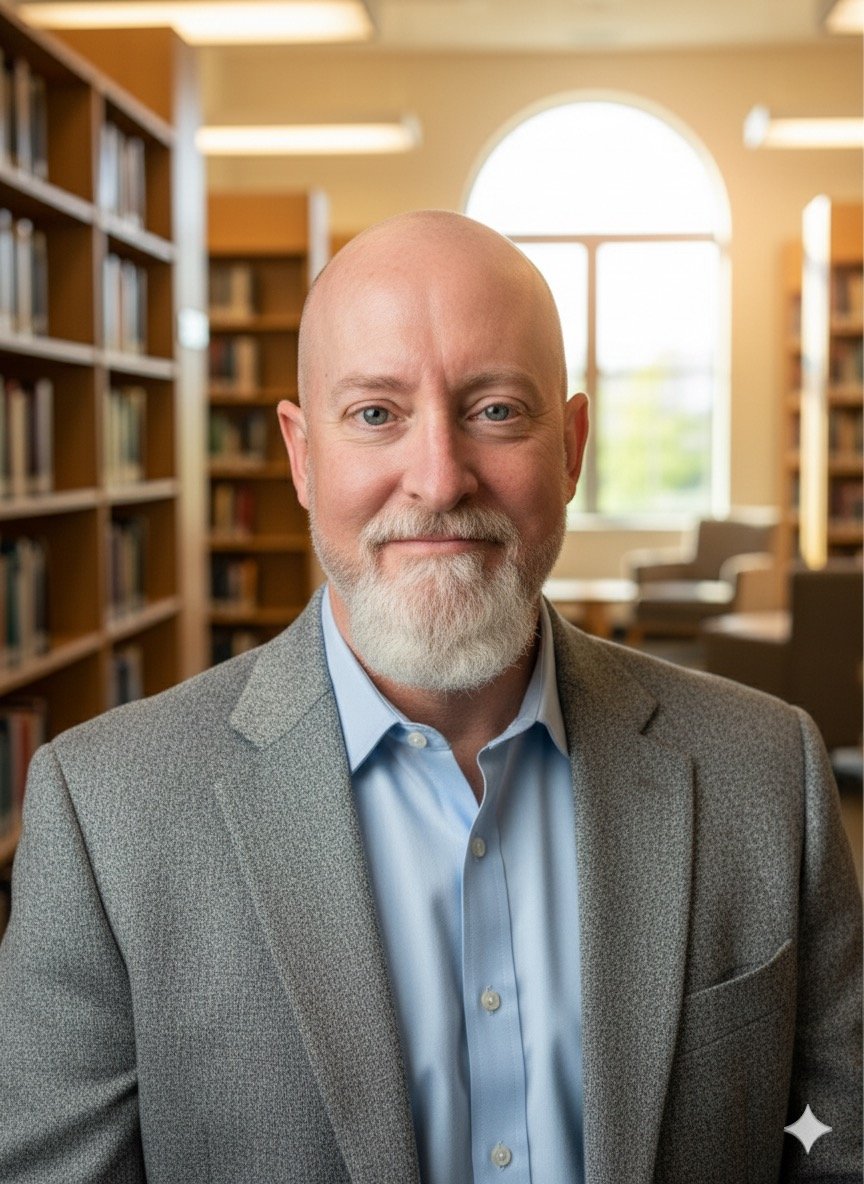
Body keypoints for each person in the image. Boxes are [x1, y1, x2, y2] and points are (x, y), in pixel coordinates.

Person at [0, 210, 860, 1184]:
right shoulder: (106, 809)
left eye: (496, 410)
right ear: (300, 453)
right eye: (376, 412)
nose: (441, 477)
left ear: (571, 445)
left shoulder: (765, 770)